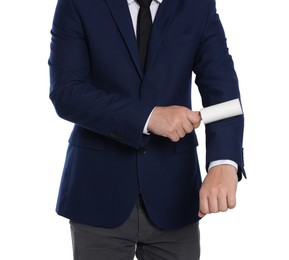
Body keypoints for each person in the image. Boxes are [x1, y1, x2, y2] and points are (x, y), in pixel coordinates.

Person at [48, 0, 245, 259]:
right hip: (97, 190)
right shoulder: (78, 3)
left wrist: (223, 162)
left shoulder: (198, 5)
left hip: (175, 194)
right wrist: (148, 117)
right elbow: (67, 93)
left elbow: (222, 90)